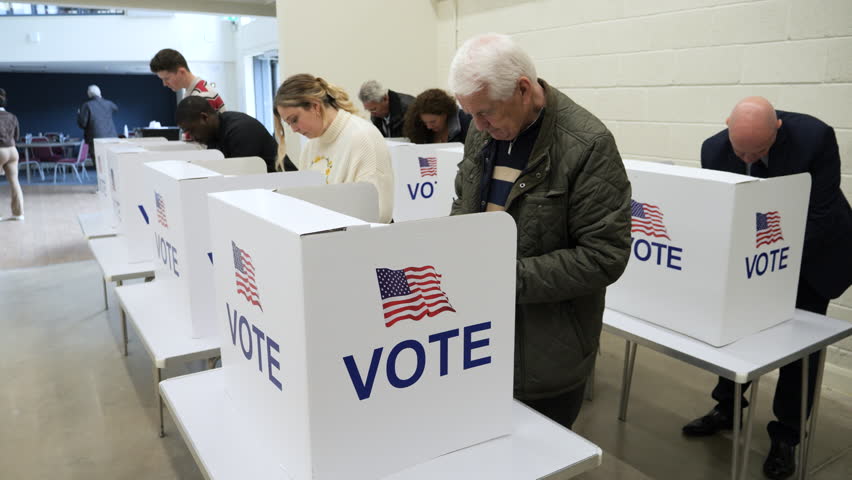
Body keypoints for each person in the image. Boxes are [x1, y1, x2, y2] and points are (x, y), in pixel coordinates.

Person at [448, 33, 632, 429]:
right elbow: (463, 200)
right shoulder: (483, 130)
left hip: (548, 352)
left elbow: (605, 256)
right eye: (470, 115)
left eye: (486, 113)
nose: (478, 125)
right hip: (479, 337)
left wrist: (503, 278)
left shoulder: (587, 144)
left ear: (523, 89)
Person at [684, 96, 852, 480]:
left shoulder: (815, 138)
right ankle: (726, 407)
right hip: (755, 255)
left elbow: (820, 214)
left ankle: (786, 436)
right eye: (740, 150)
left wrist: (776, 265)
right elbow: (726, 207)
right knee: (734, 328)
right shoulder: (714, 149)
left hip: (813, 253)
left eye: (758, 151)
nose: (747, 160)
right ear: (727, 126)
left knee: (798, 350)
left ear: (777, 128)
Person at [274, 74, 394, 223]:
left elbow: (380, 212)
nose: (293, 129)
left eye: (294, 120)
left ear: (315, 106)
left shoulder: (363, 137)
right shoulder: (311, 145)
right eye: (288, 123)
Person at [175, 96, 294, 173]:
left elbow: (239, 178)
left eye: (191, 130)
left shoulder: (241, 130)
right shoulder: (213, 134)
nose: (192, 137)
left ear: (204, 118)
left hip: (289, 190)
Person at [150, 48, 225, 112]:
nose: (165, 84)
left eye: (167, 78)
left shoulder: (202, 97)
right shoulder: (193, 94)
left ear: (181, 72)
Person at [403, 88, 472, 144]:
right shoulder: (421, 129)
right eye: (425, 122)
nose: (429, 127)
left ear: (445, 114)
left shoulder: (466, 123)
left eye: (433, 121)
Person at [77, 85, 117, 167]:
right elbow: (116, 108)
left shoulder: (87, 105)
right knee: (111, 163)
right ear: (100, 93)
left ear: (89, 94)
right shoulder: (108, 103)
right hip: (111, 138)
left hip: (96, 139)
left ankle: (103, 179)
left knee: (100, 165)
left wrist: (79, 115)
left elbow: (82, 124)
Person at [0, 88, 23, 221]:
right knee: (15, 182)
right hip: (12, 151)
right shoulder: (12, 116)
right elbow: (17, 136)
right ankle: (18, 214)